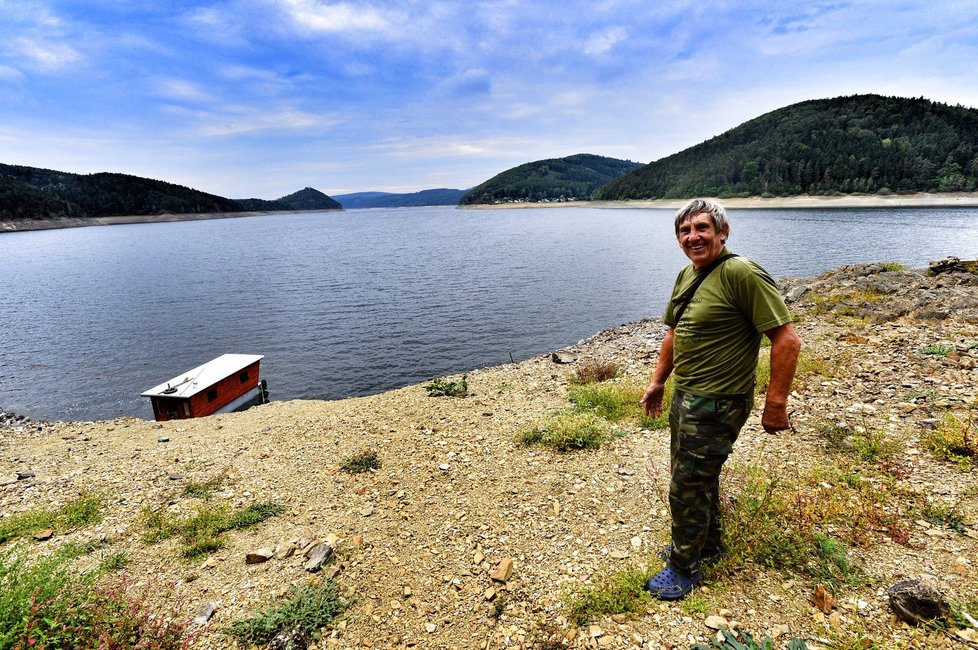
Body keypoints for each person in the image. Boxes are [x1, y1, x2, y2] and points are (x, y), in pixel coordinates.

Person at [640, 198, 801, 600]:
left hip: (718, 402)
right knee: (697, 477)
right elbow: (673, 334)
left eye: (702, 228)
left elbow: (787, 341)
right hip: (687, 397)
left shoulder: (742, 273)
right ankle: (705, 547)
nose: (693, 237)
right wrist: (659, 382)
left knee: (685, 487)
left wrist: (775, 404)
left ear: (722, 233)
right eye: (684, 231)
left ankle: (683, 568)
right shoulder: (688, 274)